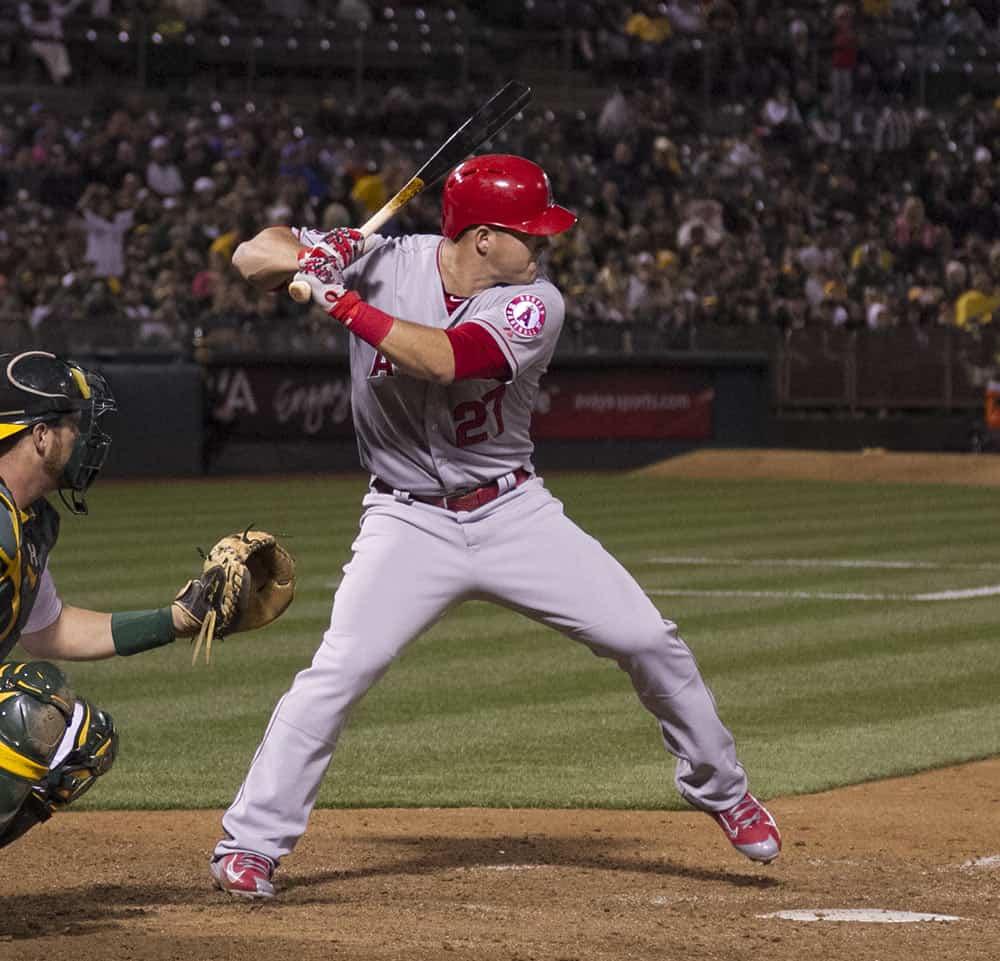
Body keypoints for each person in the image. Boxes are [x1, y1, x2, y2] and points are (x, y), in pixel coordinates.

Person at [211, 153, 782, 899]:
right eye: (529, 232)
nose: (544, 245)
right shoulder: (384, 260)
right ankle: (248, 844)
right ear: (481, 237)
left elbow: (449, 360)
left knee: (647, 638)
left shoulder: (537, 302)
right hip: (405, 518)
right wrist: (316, 251)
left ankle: (721, 787)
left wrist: (341, 302)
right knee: (337, 672)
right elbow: (252, 254)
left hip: (513, 512)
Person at [0, 349, 230, 848]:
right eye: (72, 426)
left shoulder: (29, 521)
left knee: (83, 740)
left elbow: (48, 630)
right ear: (39, 435)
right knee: (26, 707)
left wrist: (174, 620)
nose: (83, 439)